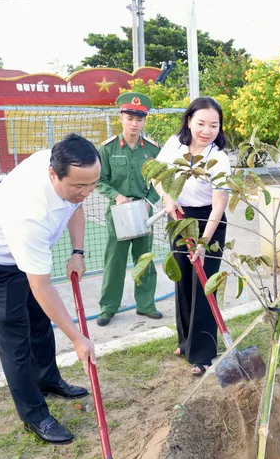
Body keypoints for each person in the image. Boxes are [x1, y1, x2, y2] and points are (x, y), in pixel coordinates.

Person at [0, 134, 99, 445]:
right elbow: (41, 285)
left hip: (22, 257)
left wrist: (78, 252)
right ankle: (34, 415)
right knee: (16, 340)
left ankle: (48, 379)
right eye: (80, 185)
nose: (87, 192)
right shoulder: (30, 213)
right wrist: (77, 338)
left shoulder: (64, 169)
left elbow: (76, 205)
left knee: (39, 322)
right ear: (54, 174)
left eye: (92, 184)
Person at [155, 97, 231, 376]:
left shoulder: (218, 158)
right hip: (178, 217)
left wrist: (202, 243)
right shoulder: (174, 144)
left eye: (214, 125)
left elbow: (219, 205)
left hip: (208, 222)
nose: (206, 130)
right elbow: (158, 175)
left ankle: (203, 353)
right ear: (189, 121)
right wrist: (167, 198)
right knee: (184, 279)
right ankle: (185, 342)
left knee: (204, 284)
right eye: (201, 123)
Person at [95, 92, 164, 326]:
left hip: (144, 211)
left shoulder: (153, 150)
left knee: (144, 258)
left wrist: (150, 201)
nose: (135, 124)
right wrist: (117, 196)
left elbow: (160, 181)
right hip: (119, 213)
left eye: (139, 119)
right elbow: (99, 180)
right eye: (130, 118)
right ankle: (108, 307)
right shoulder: (108, 148)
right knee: (115, 260)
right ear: (121, 118)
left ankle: (146, 305)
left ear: (145, 121)